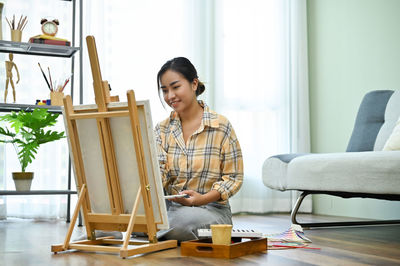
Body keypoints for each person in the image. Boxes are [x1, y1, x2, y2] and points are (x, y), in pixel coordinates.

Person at [155, 57, 243, 241]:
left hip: (212, 209)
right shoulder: (162, 129)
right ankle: (155, 230)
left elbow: (233, 177)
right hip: (172, 207)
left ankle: (153, 232)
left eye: (175, 87)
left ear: (194, 84)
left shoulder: (221, 126)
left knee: (181, 224)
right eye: (165, 90)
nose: (170, 96)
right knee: (145, 217)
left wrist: (201, 199)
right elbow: (158, 174)